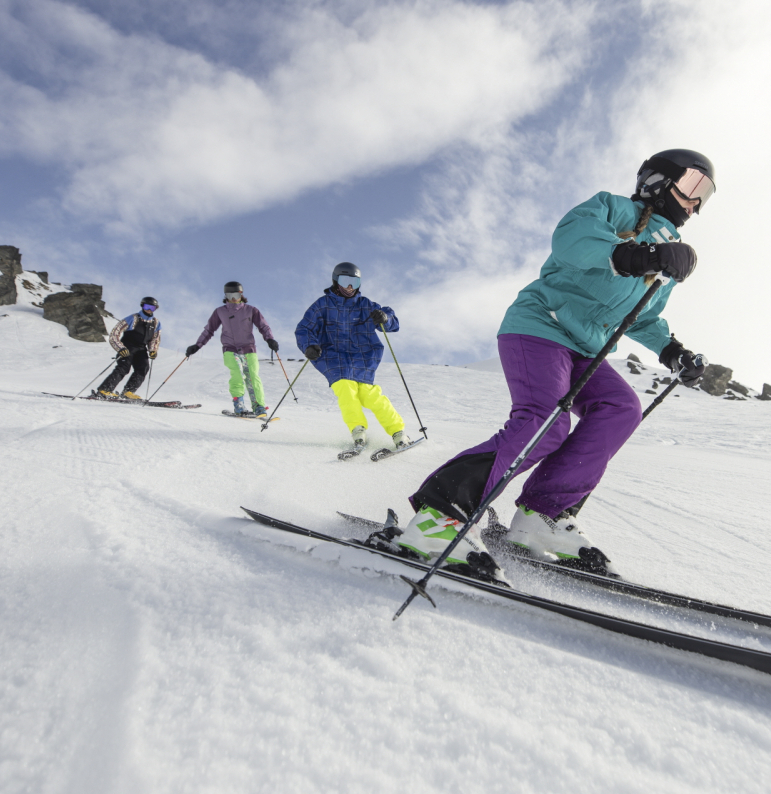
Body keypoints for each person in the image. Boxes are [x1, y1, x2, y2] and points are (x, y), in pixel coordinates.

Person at [375, 149, 715, 584]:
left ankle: (541, 516)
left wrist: (672, 351)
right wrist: (636, 254)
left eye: (705, 195)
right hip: (540, 326)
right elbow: (572, 241)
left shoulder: (666, 257)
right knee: (546, 421)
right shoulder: (613, 209)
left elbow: (645, 316)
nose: (696, 202)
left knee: (620, 407)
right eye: (692, 185)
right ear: (656, 181)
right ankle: (438, 518)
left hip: (585, 348)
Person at [294, 262, 411, 454]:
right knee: (345, 389)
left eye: (354, 282)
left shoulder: (365, 305)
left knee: (370, 395)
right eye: (345, 281)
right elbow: (304, 328)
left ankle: (398, 433)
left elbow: (391, 321)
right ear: (335, 281)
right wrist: (308, 345)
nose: (350, 287)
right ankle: (358, 432)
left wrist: (384, 318)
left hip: (362, 356)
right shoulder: (322, 305)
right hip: (333, 356)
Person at [184, 281, 279, 416]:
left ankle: (259, 406)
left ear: (241, 294)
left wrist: (270, 338)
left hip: (249, 349)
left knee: (253, 377)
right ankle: (239, 404)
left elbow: (263, 326)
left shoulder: (251, 310)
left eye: (235, 294)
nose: (233, 298)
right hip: (230, 349)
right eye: (229, 295)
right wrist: (197, 345)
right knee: (237, 374)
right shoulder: (220, 312)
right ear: (225, 295)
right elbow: (209, 330)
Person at [97, 297, 162, 400]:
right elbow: (115, 333)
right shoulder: (133, 318)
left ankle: (128, 392)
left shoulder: (156, 323)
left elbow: (155, 339)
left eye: (152, 308)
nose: (149, 309)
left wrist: (153, 350)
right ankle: (105, 390)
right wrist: (120, 348)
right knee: (124, 367)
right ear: (142, 306)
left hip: (141, 349)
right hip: (127, 346)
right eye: (147, 306)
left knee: (143, 368)